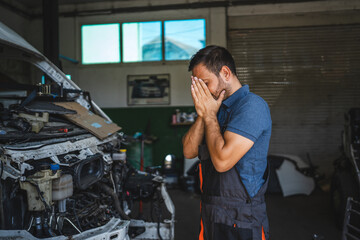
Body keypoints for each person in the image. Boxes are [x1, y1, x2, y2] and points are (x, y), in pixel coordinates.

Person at [182, 45, 272, 240]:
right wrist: (203, 114)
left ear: (225, 72)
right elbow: (188, 151)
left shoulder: (252, 107)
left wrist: (209, 115)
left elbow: (222, 162)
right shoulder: (213, 110)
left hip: (242, 220)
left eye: (205, 83)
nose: (202, 92)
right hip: (210, 214)